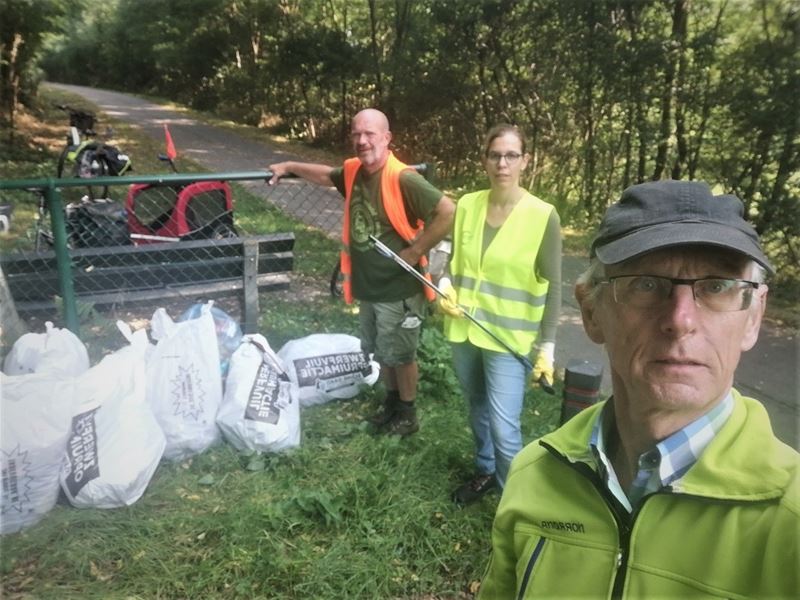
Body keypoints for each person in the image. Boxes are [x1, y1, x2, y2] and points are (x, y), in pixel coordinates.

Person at [478, 180, 799, 599]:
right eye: (646, 284)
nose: (680, 320)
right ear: (591, 311)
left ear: (754, 316)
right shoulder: (534, 476)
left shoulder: (788, 520)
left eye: (717, 286)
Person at [268, 108, 455, 436]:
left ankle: (408, 415)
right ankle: (392, 404)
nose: (362, 140)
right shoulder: (355, 171)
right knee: (384, 351)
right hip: (371, 286)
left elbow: (447, 210)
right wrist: (288, 166)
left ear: (386, 138)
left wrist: (414, 251)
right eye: (356, 134)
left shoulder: (403, 178)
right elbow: (327, 175)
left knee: (402, 353)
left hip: (398, 289)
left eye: (369, 134)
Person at [439, 124, 561, 505]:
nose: (502, 163)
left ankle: (515, 502)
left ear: (525, 161)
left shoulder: (543, 216)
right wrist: (443, 284)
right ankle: (486, 469)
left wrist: (548, 348)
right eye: (495, 155)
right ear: (484, 160)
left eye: (511, 155)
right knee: (477, 408)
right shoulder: (468, 205)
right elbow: (448, 257)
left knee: (505, 427)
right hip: (464, 331)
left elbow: (555, 286)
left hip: (509, 340)